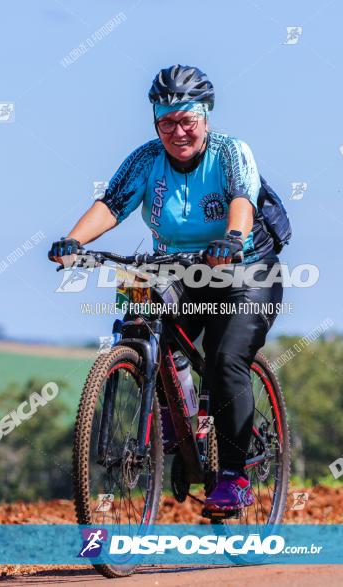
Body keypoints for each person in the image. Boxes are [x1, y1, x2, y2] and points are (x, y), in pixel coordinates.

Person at [49, 64, 284, 511]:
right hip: (178, 267)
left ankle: (235, 477)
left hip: (245, 271)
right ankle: (182, 418)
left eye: (187, 120)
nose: (178, 131)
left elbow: (241, 199)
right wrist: (75, 241)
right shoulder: (145, 160)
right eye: (166, 122)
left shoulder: (231, 152)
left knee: (224, 357)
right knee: (144, 316)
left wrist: (232, 239)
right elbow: (111, 204)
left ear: (206, 116)